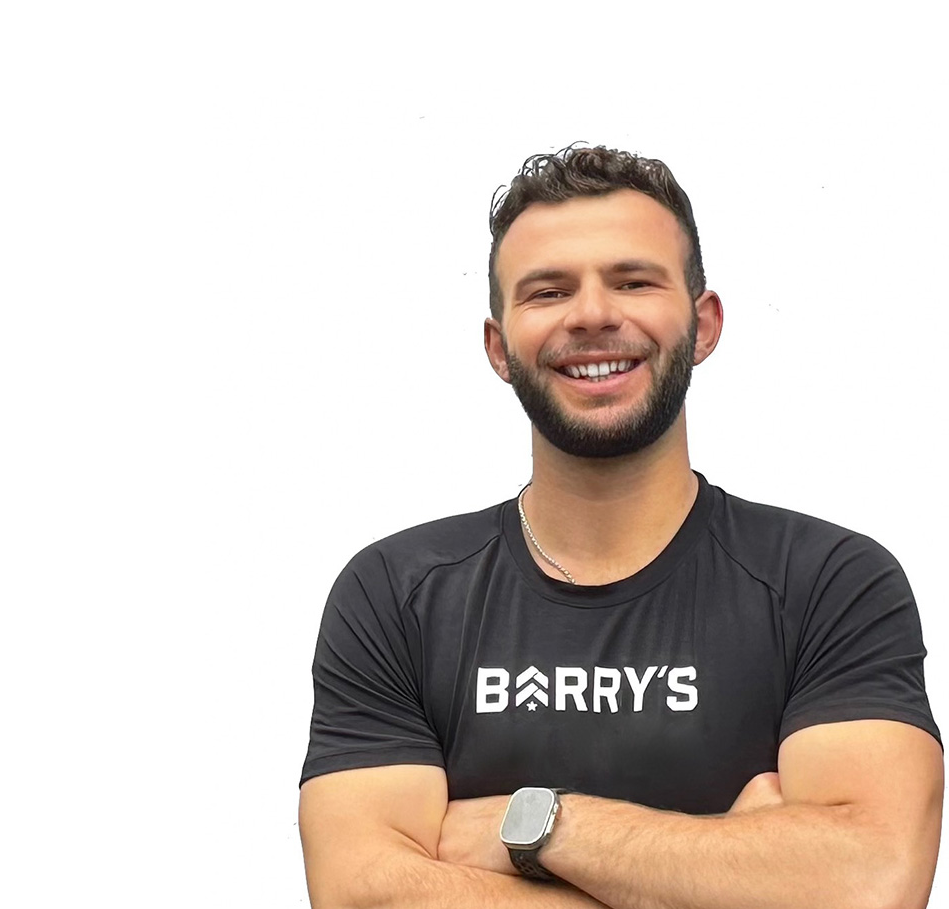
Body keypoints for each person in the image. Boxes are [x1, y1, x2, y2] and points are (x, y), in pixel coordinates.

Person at [298, 144, 943, 909]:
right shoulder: (397, 593)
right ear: (499, 348)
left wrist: (533, 827)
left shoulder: (828, 582)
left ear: (703, 326)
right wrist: (740, 880)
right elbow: (364, 895)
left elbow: (866, 883)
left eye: (633, 281)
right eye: (547, 291)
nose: (594, 313)